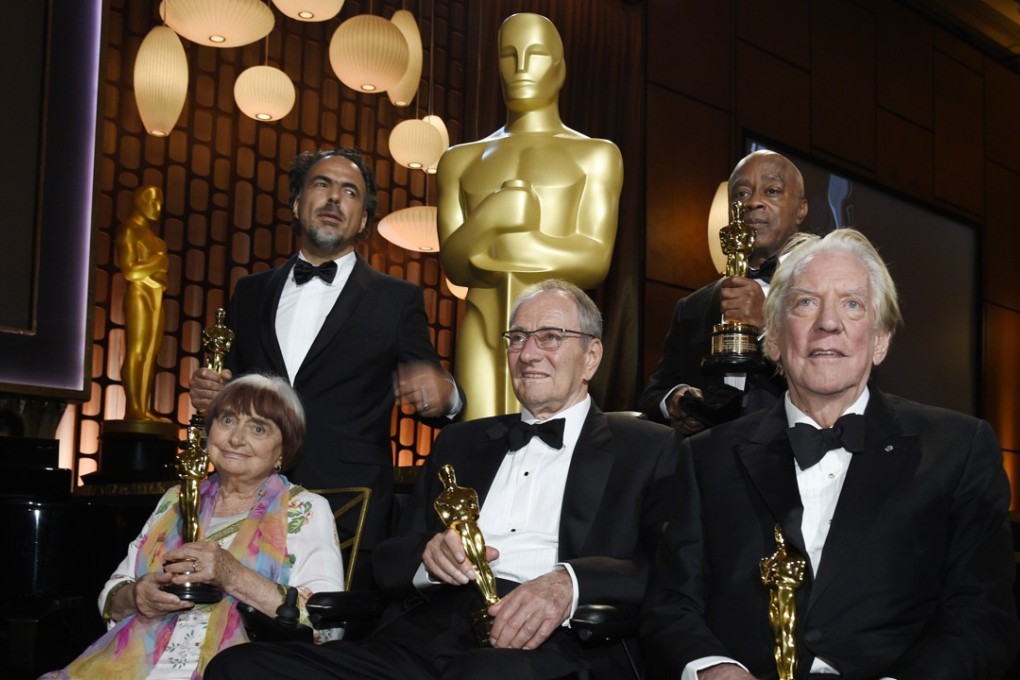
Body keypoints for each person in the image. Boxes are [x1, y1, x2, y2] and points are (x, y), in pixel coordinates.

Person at [205, 279, 677, 680]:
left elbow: (669, 569)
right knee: (242, 667)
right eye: (517, 337)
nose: (529, 353)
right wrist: (426, 561)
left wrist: (569, 582)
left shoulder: (647, 447)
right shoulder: (460, 444)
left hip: (551, 639)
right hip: (425, 631)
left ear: (591, 356)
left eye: (550, 337)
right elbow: (388, 562)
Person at [641, 229, 1018, 679]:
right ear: (775, 340)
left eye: (852, 304)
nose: (829, 323)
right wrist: (713, 668)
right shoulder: (707, 458)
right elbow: (670, 603)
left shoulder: (959, 449)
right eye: (806, 303)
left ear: (880, 340)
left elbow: (982, 618)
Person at [189, 148, 463, 580]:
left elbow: (439, 393)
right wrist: (213, 395)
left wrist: (444, 395)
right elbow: (236, 394)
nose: (334, 198)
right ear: (297, 204)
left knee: (328, 634)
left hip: (349, 506)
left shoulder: (397, 299)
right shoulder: (250, 292)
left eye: (349, 192)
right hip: (246, 499)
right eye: (322, 185)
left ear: (364, 220)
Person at [41, 374, 344, 679]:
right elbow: (111, 597)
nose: (236, 438)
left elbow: (327, 626)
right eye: (227, 420)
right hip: (134, 662)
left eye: (258, 428)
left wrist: (232, 575)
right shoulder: (178, 499)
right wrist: (137, 596)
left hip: (237, 668)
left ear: (284, 450)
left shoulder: (304, 509)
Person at [437, 12, 624, 421]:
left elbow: (594, 260)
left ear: (560, 69)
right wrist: (492, 215)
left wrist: (520, 244)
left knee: (555, 440)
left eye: (535, 55)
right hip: (483, 325)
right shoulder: (459, 159)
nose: (520, 69)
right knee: (480, 448)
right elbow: (453, 264)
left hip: (561, 331)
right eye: (509, 56)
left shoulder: (595, 155)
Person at [637, 149, 808, 435]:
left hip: (789, 458)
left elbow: (839, 382)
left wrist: (767, 326)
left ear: (801, 209)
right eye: (741, 194)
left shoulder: (823, 292)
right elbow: (652, 395)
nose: (753, 202)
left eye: (772, 190)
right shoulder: (693, 306)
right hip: (704, 465)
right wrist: (675, 401)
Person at [118, 185, 170, 422]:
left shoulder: (156, 241)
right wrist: (157, 262)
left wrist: (156, 264)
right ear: (139, 201)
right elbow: (129, 271)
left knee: (150, 354)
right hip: (139, 293)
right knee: (137, 352)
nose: (156, 207)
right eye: (152, 201)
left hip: (156, 295)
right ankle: (133, 408)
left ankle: (143, 408)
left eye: (159, 202)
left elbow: (162, 274)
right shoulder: (131, 231)